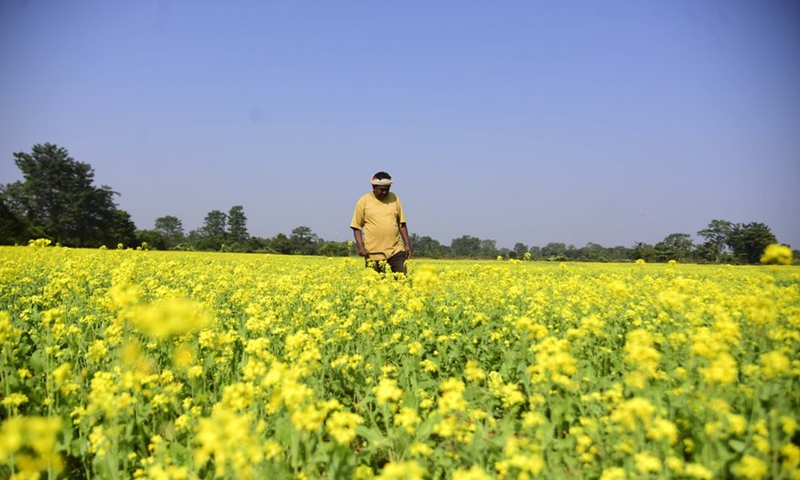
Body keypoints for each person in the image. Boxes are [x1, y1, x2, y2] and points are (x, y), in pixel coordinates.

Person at [350, 171, 412, 274]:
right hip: (373, 253)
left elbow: (402, 224)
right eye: (381, 190)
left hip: (396, 251)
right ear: (373, 186)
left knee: (402, 283)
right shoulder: (364, 201)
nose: (384, 192)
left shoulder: (394, 198)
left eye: (387, 189)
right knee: (376, 287)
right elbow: (356, 227)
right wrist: (360, 247)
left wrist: (408, 245)